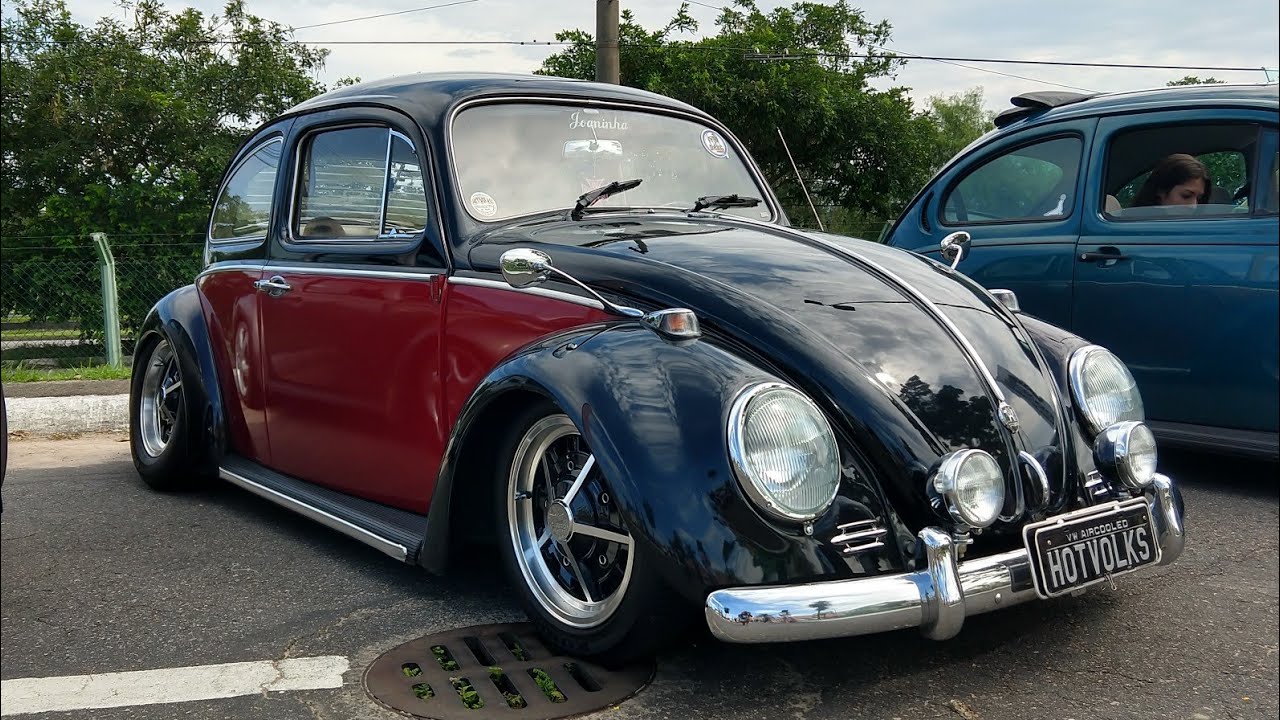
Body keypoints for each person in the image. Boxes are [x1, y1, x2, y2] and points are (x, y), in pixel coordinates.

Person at [1132, 153, 1211, 207]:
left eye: (1199, 199)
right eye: (1186, 196)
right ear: (1161, 191)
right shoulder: (1134, 225)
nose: (1194, 206)